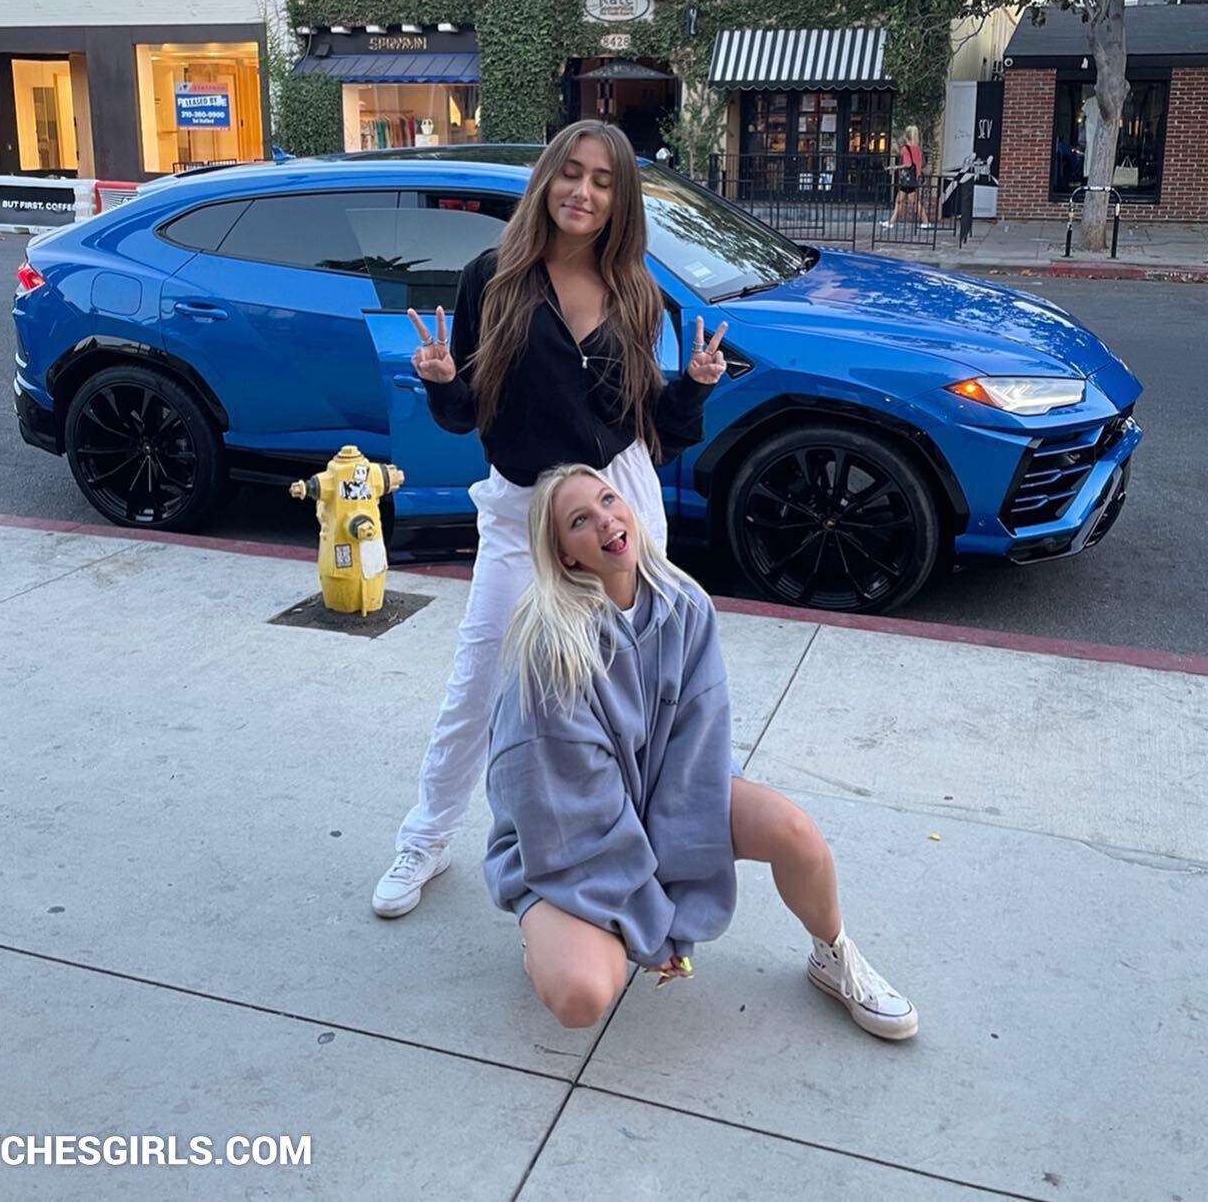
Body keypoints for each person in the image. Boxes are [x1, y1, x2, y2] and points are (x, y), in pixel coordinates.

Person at [372, 119, 729, 917]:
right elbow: (469, 412)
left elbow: (648, 424)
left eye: (603, 180)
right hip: (523, 509)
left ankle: (638, 843)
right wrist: (441, 379)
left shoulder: (635, 291)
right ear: (546, 179)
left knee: (633, 683)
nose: (583, 191)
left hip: (613, 502)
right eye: (571, 172)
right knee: (481, 679)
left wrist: (695, 386)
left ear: (620, 198)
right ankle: (426, 836)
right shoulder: (492, 277)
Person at [484, 464, 918, 1040]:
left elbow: (697, 754)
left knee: (793, 831)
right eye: (580, 520)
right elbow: (569, 812)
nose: (606, 520)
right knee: (582, 995)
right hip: (564, 838)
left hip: (663, 791)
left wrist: (678, 913)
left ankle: (833, 956)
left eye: (608, 500)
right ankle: (544, 935)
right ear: (564, 554)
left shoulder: (684, 604)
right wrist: (651, 922)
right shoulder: (552, 649)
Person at [884, 124, 930, 230]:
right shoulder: (918, 149)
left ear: (906, 136)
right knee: (901, 200)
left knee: (909, 202)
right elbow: (920, 163)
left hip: (907, 179)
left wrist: (895, 167)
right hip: (914, 178)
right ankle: (891, 222)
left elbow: (908, 164)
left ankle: (926, 221)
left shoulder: (905, 149)